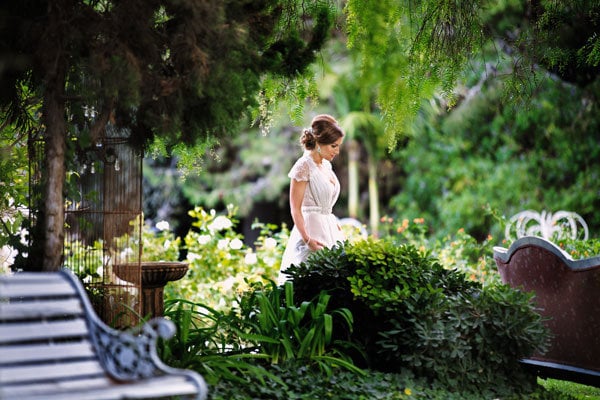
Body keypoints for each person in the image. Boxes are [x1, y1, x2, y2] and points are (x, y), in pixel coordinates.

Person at [278, 114, 345, 284]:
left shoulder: (326, 165)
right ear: (318, 143)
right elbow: (295, 208)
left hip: (330, 229)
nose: (337, 151)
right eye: (333, 146)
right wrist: (308, 240)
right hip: (311, 232)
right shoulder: (303, 166)